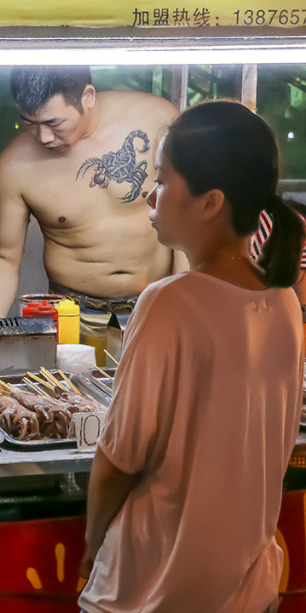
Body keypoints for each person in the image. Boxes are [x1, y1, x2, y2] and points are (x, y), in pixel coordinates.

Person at [79, 101, 305, 613]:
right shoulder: (285, 301)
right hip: (249, 590)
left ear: (211, 202)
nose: (149, 194)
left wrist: (93, 544)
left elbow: (117, 460)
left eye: (162, 180)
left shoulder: (168, 303)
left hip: (152, 592)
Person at [0, 67, 185, 340]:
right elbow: (4, 257)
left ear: (87, 96)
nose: (44, 137)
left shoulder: (156, 119)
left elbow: (187, 215)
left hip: (157, 306)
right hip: (72, 315)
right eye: (30, 123)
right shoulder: (14, 167)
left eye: (54, 123)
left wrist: (184, 302)